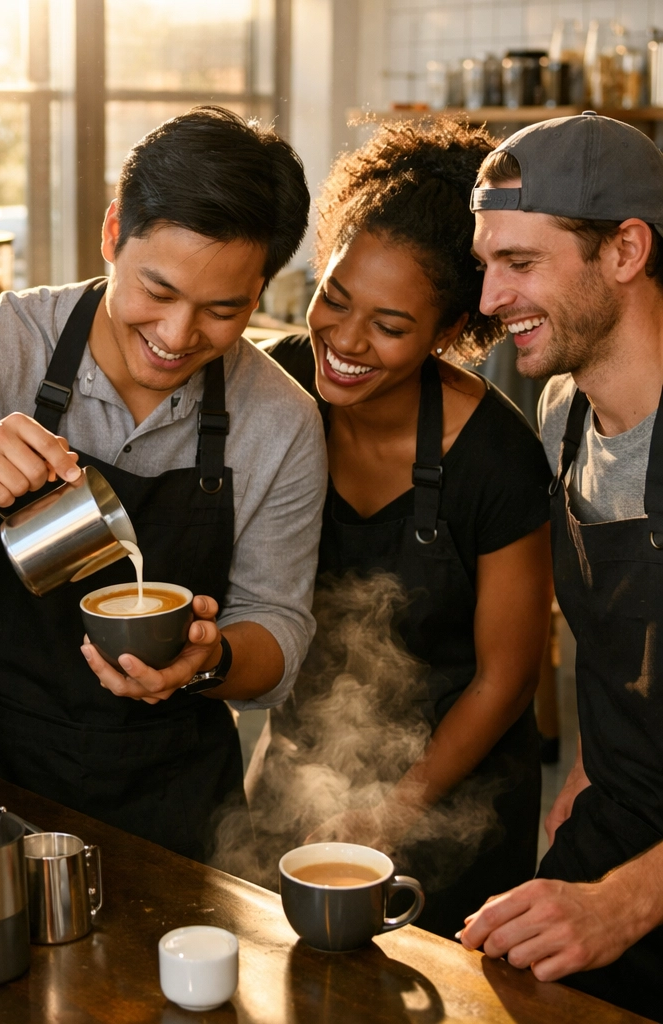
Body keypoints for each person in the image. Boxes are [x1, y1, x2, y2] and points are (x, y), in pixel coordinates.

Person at [0, 106, 326, 862]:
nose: (176, 337)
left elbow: (278, 630)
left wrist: (208, 660)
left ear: (264, 288)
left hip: (169, 797)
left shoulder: (281, 420)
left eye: (222, 310)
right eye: (157, 291)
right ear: (112, 234)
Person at [248, 120, 553, 939]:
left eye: (388, 326)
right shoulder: (268, 389)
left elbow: (506, 680)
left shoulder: (496, 459)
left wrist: (390, 811)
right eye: (334, 300)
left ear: (450, 332)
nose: (343, 342)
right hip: (296, 766)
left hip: (456, 804)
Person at [461, 112, 663, 1022]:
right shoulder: (560, 417)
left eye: (521, 263)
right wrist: (587, 768)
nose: (492, 298)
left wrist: (622, 903)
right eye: (486, 265)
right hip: (615, 823)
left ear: (625, 249)